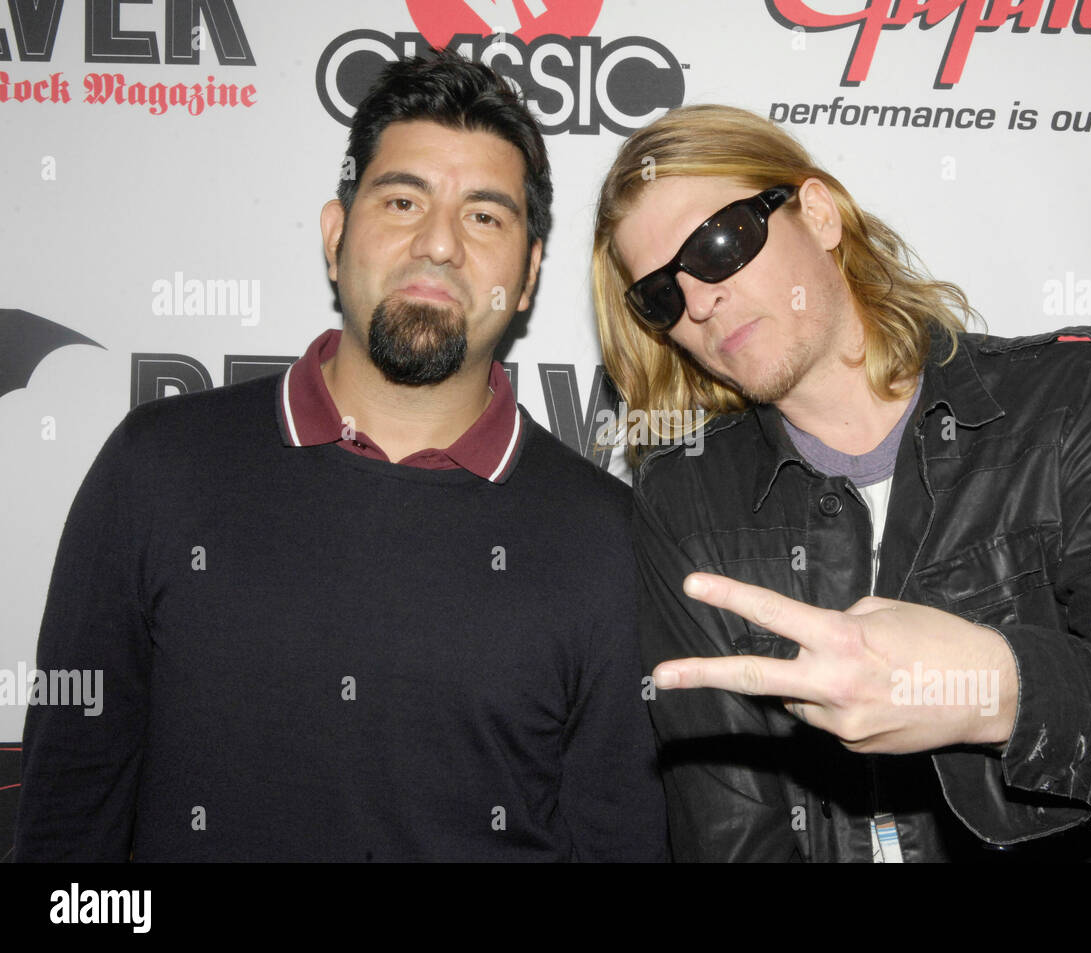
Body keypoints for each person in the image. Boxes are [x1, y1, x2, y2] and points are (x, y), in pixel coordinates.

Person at [16, 52, 666, 862]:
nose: (438, 246)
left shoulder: (604, 538)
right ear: (336, 235)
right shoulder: (155, 469)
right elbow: (67, 827)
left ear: (528, 276)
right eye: (402, 200)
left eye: (485, 217)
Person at [591, 104, 1091, 862]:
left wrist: (992, 686)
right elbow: (732, 834)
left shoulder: (1070, 399)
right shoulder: (686, 498)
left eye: (719, 244)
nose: (699, 301)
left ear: (818, 213)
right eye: (662, 296)